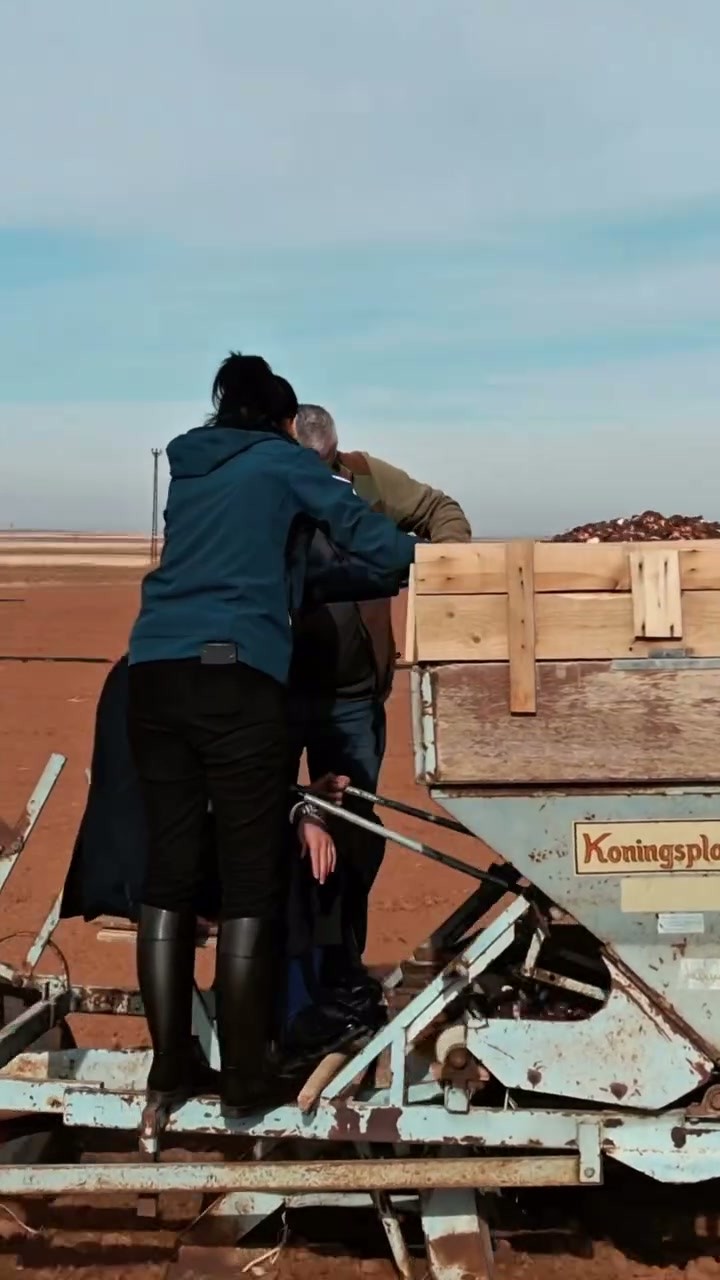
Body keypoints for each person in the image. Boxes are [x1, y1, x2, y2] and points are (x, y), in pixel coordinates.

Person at [126, 354, 416, 1118]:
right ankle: (246, 1077)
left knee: (170, 873)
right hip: (234, 680)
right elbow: (363, 532)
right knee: (251, 876)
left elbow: (254, 562)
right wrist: (420, 558)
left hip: (152, 675)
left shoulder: (191, 468)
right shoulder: (281, 460)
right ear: (284, 420)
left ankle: (170, 1069)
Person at [288, 404, 472, 1000]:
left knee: (355, 831)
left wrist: (447, 581)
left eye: (324, 464)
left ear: (335, 452)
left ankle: (343, 964)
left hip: (352, 698)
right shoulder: (267, 483)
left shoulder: (366, 478)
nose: (316, 475)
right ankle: (284, 973)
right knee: (271, 824)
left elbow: (440, 511)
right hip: (275, 692)